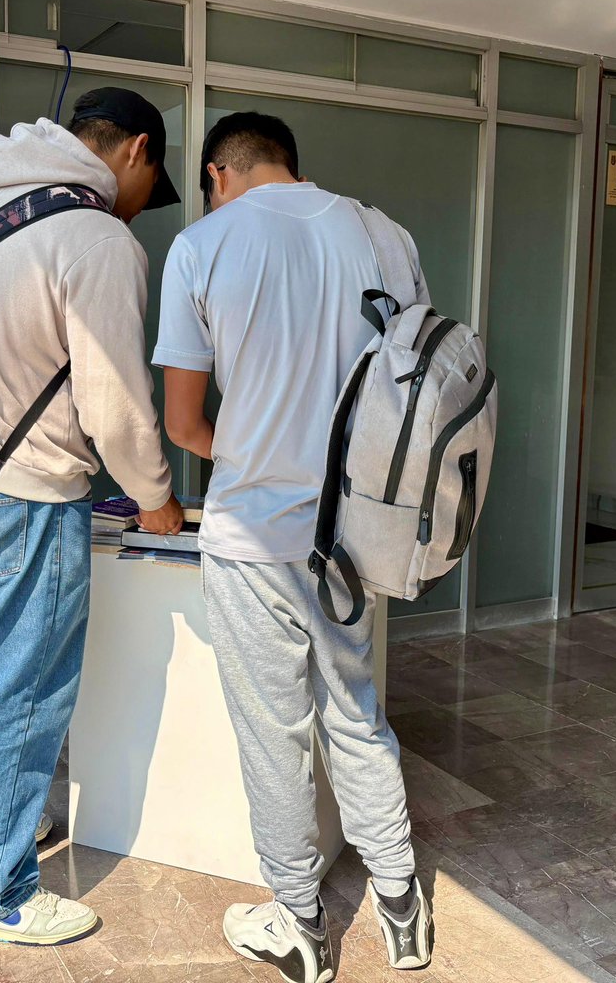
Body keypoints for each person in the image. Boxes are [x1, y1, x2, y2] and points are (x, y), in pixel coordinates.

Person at [154, 112, 432, 981]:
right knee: (356, 710)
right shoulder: (388, 237)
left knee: (273, 734)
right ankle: (401, 907)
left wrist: (255, 448)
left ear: (217, 173)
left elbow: (184, 422)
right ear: (294, 167)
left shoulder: (201, 246)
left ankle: (301, 926)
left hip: (250, 536)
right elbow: (412, 387)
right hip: (358, 533)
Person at [0, 88, 184, 946]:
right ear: (135, 150)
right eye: (152, 182)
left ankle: (3, 826)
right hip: (29, 497)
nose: (144, 204)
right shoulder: (96, 235)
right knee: (21, 690)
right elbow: (116, 400)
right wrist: (157, 496)